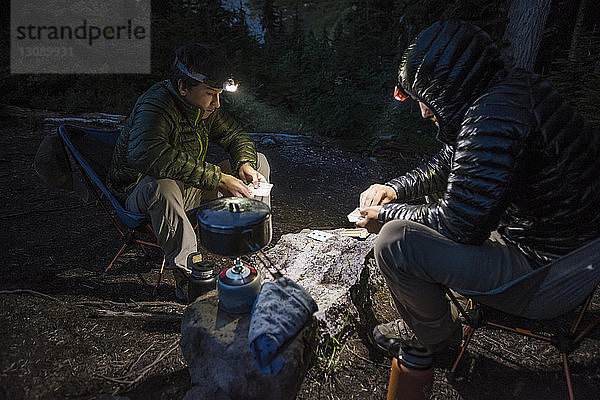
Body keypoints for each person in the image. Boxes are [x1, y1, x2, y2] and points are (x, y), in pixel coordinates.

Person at [356, 20, 600, 360]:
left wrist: (383, 215)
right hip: (568, 253)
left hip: (546, 276)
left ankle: (437, 341)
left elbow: (458, 226)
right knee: (432, 199)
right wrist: (394, 190)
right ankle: (440, 312)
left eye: (425, 98)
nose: (424, 110)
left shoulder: (493, 118)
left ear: (450, 85)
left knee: (395, 243)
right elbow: (448, 165)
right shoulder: (507, 94)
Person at [107, 43, 270, 302]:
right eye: (210, 94)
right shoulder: (156, 104)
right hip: (141, 193)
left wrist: (245, 164)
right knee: (163, 186)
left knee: (259, 161)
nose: (217, 104)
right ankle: (190, 276)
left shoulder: (203, 109)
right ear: (183, 87)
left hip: (188, 185)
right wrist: (218, 178)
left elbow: (236, 136)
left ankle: (248, 243)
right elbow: (146, 153)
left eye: (219, 95)